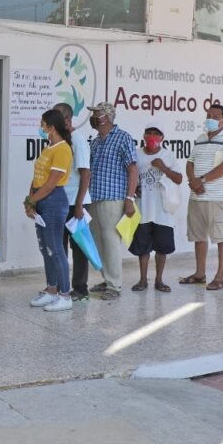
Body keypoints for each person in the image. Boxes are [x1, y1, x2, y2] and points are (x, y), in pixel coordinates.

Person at [181, 104, 223, 291]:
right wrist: (193, 181)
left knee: (221, 237)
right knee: (199, 237)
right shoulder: (200, 138)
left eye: (216, 116)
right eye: (209, 115)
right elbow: (190, 162)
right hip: (196, 196)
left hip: (216, 197)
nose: (211, 119)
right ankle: (200, 274)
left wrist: (201, 180)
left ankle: (220, 278)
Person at [85, 102, 138, 301]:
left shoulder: (123, 138)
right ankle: (106, 278)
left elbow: (133, 169)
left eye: (96, 114)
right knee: (99, 242)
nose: (93, 118)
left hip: (113, 198)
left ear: (106, 117)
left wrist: (130, 198)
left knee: (111, 241)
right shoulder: (96, 141)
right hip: (95, 197)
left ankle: (114, 285)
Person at [24, 109, 74, 312]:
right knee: (45, 249)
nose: (41, 127)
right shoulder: (49, 148)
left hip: (53, 201)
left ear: (52, 127)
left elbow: (51, 183)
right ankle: (51, 290)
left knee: (56, 249)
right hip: (41, 199)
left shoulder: (63, 149)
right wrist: (31, 201)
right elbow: (37, 178)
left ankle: (65, 295)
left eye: (43, 124)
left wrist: (30, 200)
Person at [129, 126, 181, 292]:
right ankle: (143, 280)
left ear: (162, 137)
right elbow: (129, 175)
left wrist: (164, 168)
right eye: (149, 133)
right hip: (143, 208)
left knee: (162, 248)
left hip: (162, 210)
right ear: (144, 135)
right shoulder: (136, 154)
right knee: (143, 248)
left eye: (156, 134)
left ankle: (159, 280)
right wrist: (132, 190)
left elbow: (179, 179)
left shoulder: (168, 155)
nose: (152, 136)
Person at [55, 102, 92, 302]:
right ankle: (60, 285)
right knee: (59, 247)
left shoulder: (77, 140)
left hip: (76, 203)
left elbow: (85, 174)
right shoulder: (60, 141)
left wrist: (79, 205)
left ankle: (80, 288)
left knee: (78, 248)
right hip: (60, 202)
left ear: (68, 120)